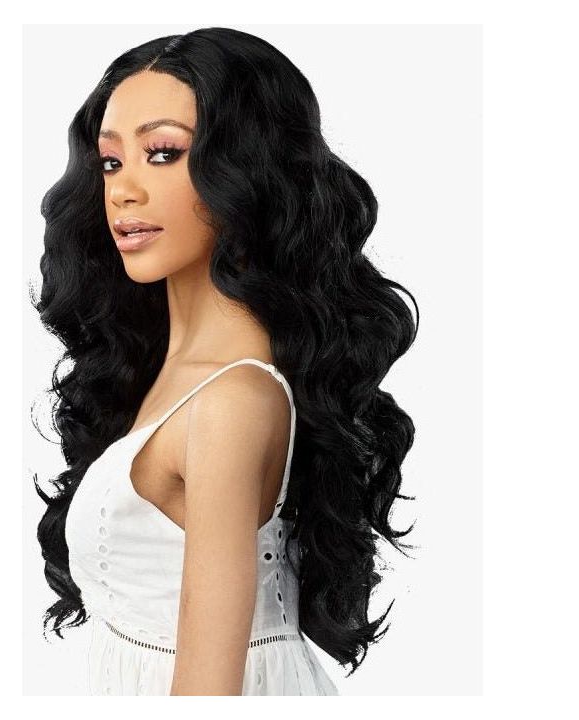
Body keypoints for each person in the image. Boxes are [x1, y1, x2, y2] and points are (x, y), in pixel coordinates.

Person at [33, 26, 419, 695]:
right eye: (111, 161)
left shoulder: (229, 403)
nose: (122, 190)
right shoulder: (174, 375)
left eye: (162, 153)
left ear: (245, 171)